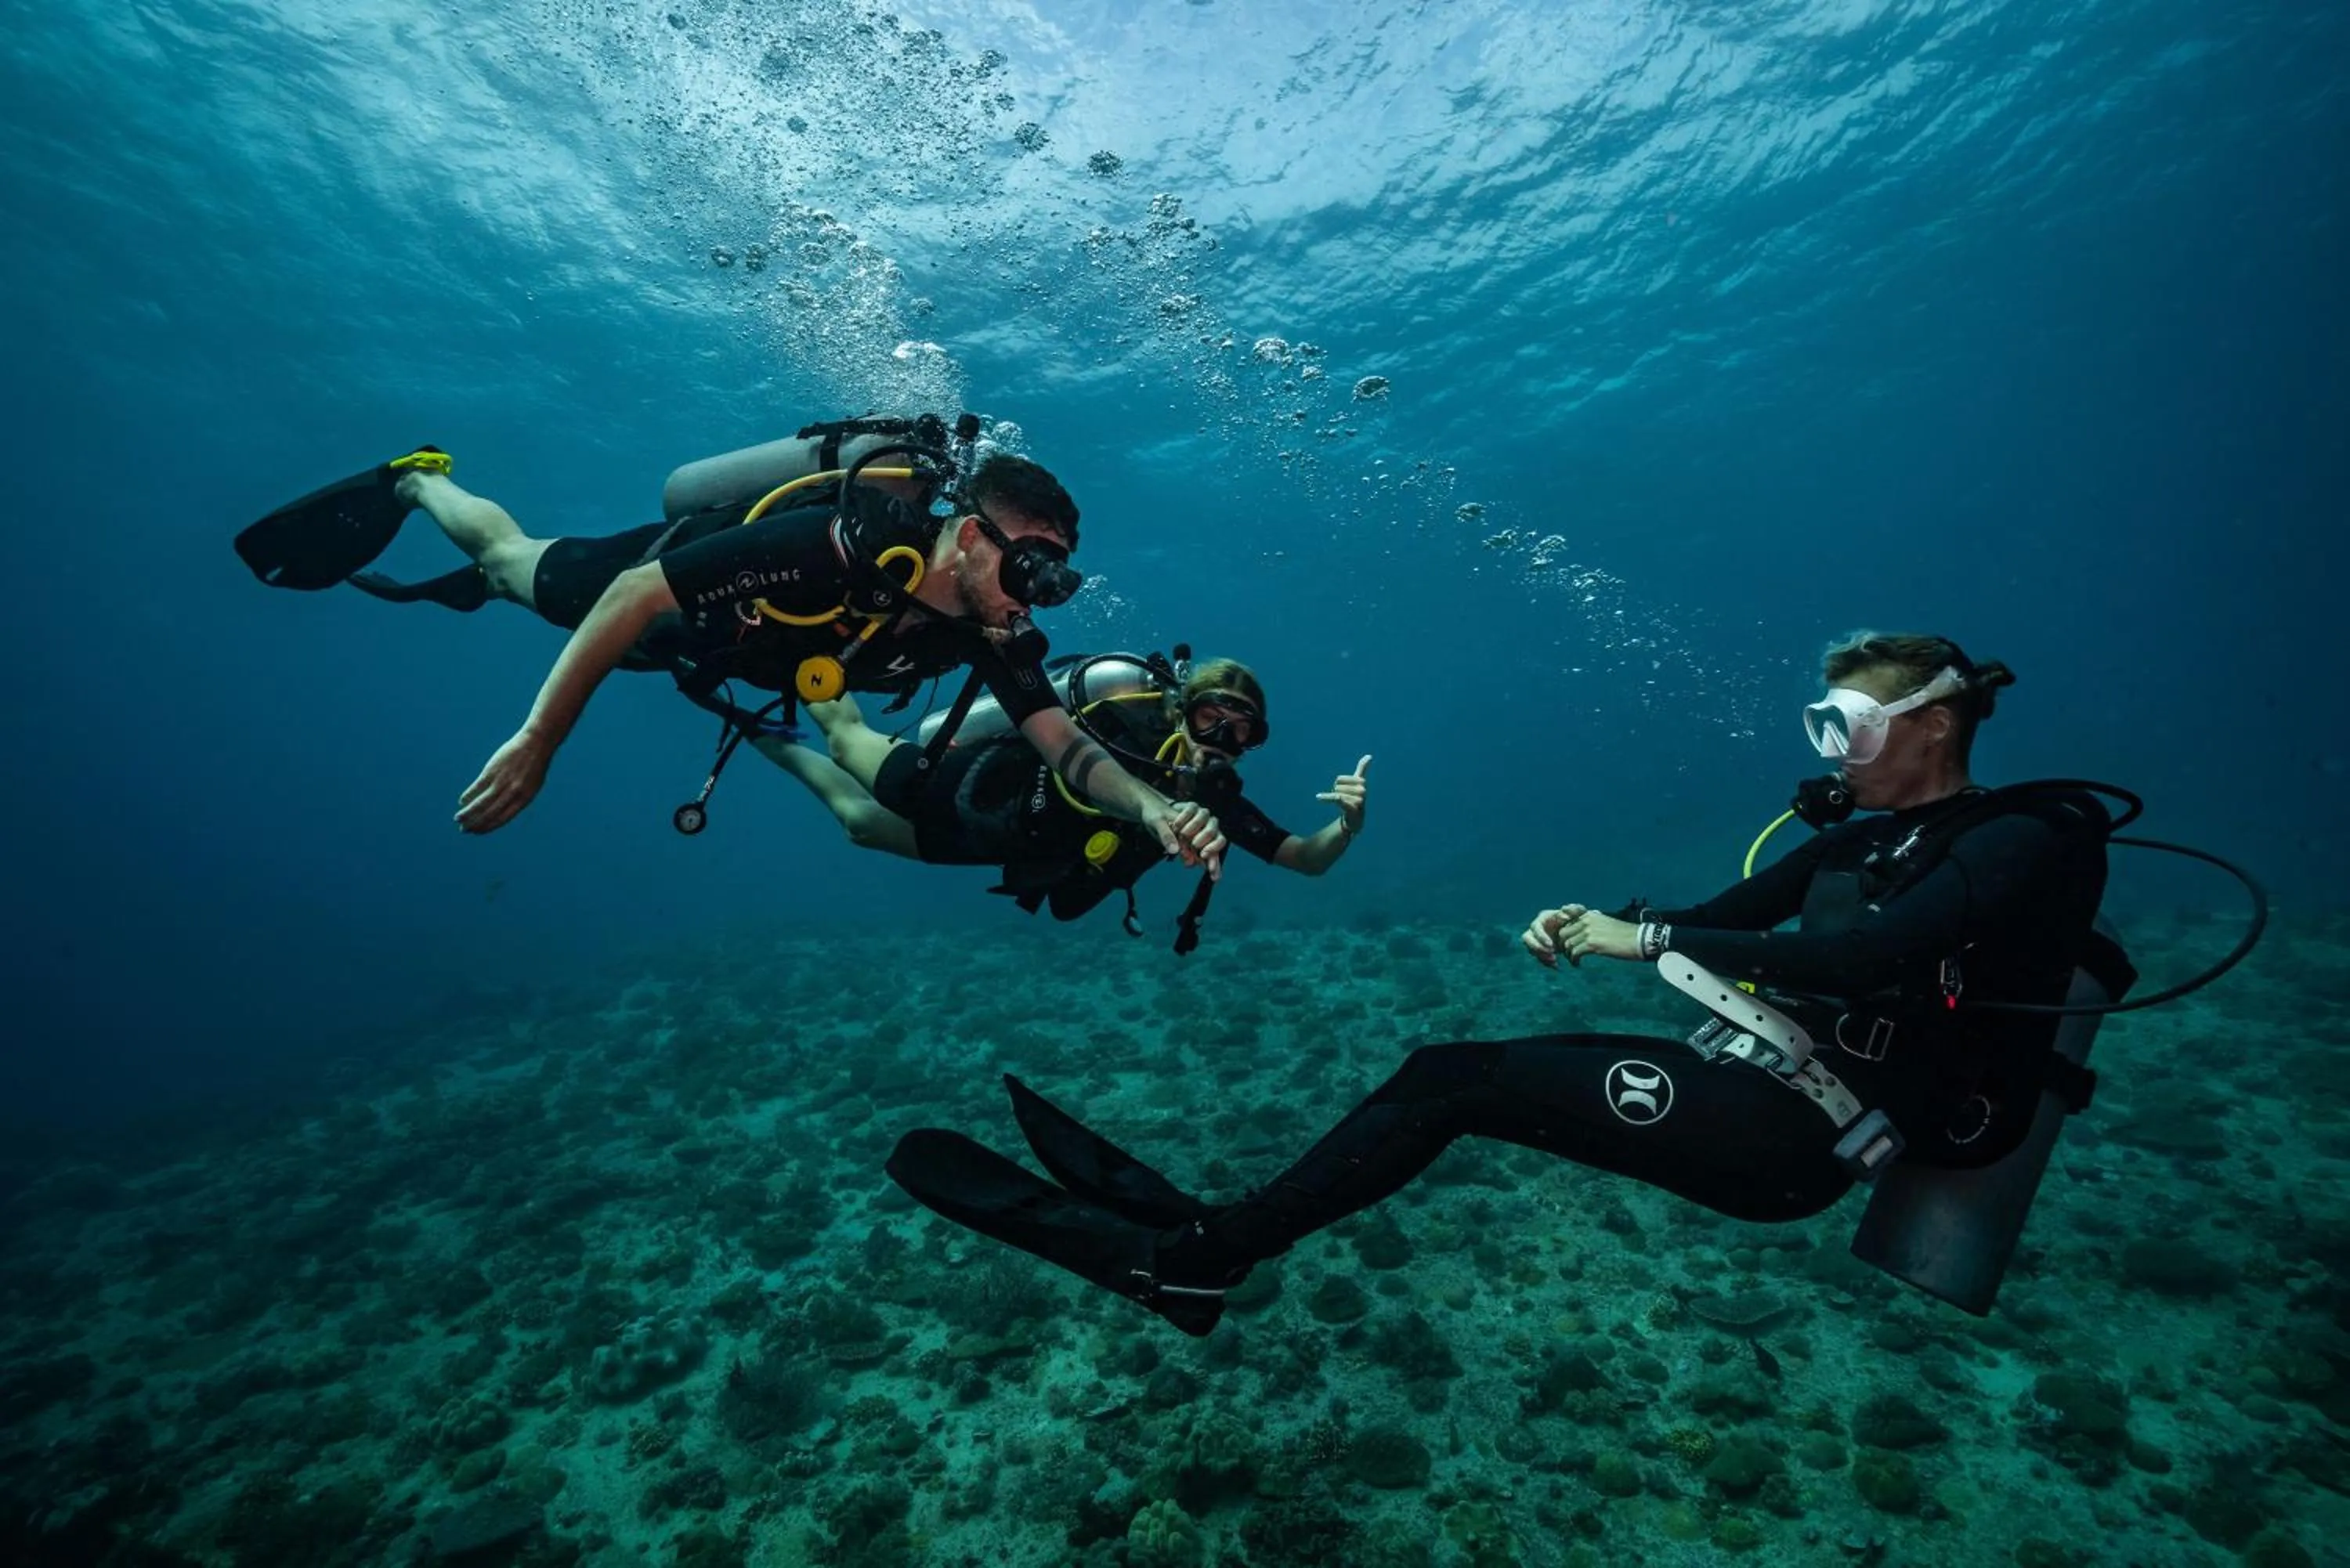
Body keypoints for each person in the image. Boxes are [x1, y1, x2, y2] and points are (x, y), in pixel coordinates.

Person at [884, 631, 2129, 1335]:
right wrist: (1608, 919)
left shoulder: (2018, 838)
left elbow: (1874, 961)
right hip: (1751, 1084)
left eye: (1843, 725)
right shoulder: (1850, 839)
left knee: (1453, 1087)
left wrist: (1638, 947)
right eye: (1821, 724)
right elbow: (1720, 919)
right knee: (1449, 1078)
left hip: (1801, 1142)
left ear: (1934, 725)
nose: (1828, 752)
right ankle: (1215, 1239)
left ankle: (1198, 1258)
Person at [233, 430, 1226, 869]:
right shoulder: (840, 542)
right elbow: (632, 596)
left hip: (730, 658)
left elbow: (1062, 744)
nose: (1033, 601)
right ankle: (416, 478)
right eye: (1030, 569)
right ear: (970, 537)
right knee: (504, 564)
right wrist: (539, 739)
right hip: (661, 599)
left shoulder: (988, 623)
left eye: (1055, 581)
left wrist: (1152, 806)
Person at [750, 654, 1370, 945]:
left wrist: (1345, 826)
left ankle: (768, 738)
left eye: (1243, 732)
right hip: (972, 783)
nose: (1222, 741)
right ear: (1183, 710)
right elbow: (1047, 730)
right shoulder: (1119, 722)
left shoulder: (1213, 801)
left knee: (858, 823)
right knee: (847, 740)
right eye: (1212, 718)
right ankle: (805, 645)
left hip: (1007, 842)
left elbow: (1304, 858)